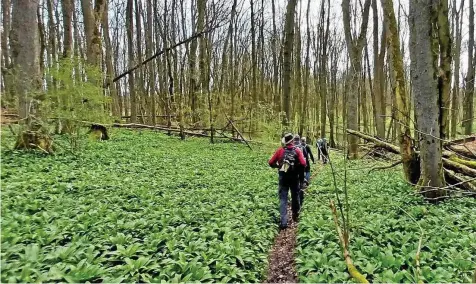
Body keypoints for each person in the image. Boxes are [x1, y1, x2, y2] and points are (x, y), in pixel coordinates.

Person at [268, 133, 307, 229]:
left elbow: (270, 162)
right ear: (293, 141)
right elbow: (303, 163)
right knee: (295, 195)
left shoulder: (280, 151)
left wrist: (278, 166)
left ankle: (283, 222)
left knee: (283, 199)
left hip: (283, 178)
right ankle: (295, 214)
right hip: (294, 178)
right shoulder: (297, 150)